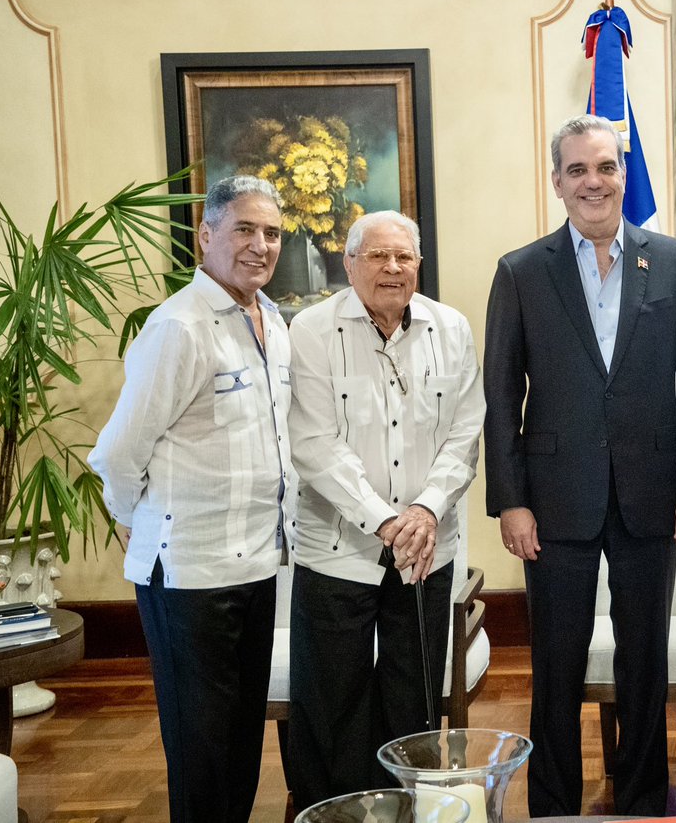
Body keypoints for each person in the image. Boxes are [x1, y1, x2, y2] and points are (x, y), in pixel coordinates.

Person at [483, 113, 676, 816]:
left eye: (607, 167)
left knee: (645, 660)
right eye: (578, 169)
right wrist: (511, 500)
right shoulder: (521, 271)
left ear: (625, 174)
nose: (595, 181)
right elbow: (501, 395)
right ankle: (553, 804)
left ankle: (642, 798)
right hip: (553, 500)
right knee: (556, 665)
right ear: (557, 182)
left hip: (653, 491)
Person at [88, 175, 290, 823]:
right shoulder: (177, 326)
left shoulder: (272, 319)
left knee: (239, 747)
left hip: (257, 566)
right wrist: (132, 519)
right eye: (244, 229)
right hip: (189, 576)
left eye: (273, 233)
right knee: (201, 753)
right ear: (206, 236)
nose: (261, 245)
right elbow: (119, 450)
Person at [285, 209, 485, 808]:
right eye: (376, 255)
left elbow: (465, 431)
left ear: (418, 266)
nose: (392, 267)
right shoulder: (312, 331)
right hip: (337, 548)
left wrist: (423, 512)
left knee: (414, 701)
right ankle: (336, 812)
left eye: (404, 257)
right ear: (348, 264)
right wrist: (387, 520)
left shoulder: (450, 327)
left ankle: (407, 811)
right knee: (332, 699)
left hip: (427, 549)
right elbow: (315, 444)